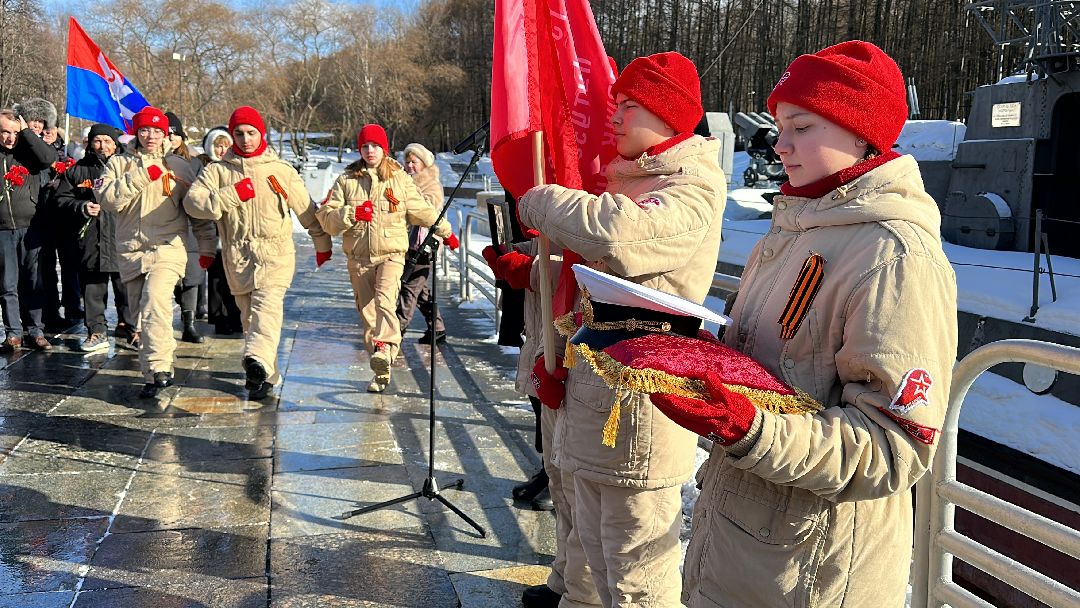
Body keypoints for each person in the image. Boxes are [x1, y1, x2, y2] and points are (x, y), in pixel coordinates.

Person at [648, 41, 958, 607]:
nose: (780, 143)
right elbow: (775, 363)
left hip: (811, 571)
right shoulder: (795, 227)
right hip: (742, 548)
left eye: (802, 126)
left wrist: (750, 428)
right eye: (779, 125)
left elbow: (894, 448)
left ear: (859, 131)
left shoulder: (895, 256)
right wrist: (696, 354)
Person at [514, 51, 727, 607]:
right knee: (590, 544)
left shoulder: (690, 186)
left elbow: (622, 237)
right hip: (597, 393)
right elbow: (600, 272)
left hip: (641, 406)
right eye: (615, 105)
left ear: (668, 115)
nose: (614, 117)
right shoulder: (633, 178)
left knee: (635, 572)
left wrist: (540, 201)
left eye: (629, 106)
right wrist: (540, 271)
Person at [184, 106, 332, 401]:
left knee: (267, 312)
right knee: (251, 320)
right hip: (237, 258)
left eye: (251, 133)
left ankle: (255, 360)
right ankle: (266, 374)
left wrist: (322, 244)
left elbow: (307, 211)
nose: (245, 139)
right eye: (239, 133)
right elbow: (193, 204)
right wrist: (231, 194)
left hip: (275, 255)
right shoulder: (218, 171)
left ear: (261, 133)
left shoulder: (280, 171)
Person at [316, 124, 458, 393]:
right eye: (365, 146)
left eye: (375, 146)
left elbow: (422, 210)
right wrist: (352, 213)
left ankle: (385, 350)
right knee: (369, 316)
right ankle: (381, 365)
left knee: (385, 301)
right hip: (359, 258)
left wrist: (446, 233)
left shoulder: (399, 179)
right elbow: (327, 221)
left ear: (384, 148)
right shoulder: (347, 180)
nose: (370, 151)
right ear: (360, 149)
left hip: (392, 255)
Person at [96, 106, 216, 398]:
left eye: (157, 131)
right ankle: (152, 374)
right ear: (137, 132)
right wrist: (142, 176)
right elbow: (107, 199)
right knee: (140, 316)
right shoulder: (118, 164)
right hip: (131, 251)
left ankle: (162, 367)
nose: (151, 136)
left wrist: (207, 247)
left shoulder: (179, 166)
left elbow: (197, 212)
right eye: (145, 130)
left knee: (155, 302)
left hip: (168, 247)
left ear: (166, 134)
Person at [54, 123, 131, 352]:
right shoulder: (78, 170)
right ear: (90, 143)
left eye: (107, 141)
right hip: (90, 240)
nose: (102, 146)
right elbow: (60, 199)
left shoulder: (127, 167)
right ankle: (96, 331)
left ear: (115, 144)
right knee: (92, 290)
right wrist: (82, 206)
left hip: (121, 237)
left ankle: (130, 329)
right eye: (97, 141)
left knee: (126, 289)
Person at [0, 107, 58, 352]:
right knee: (7, 284)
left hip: (31, 226)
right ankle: (13, 333)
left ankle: (36, 329)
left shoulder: (29, 151)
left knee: (33, 281)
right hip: (2, 229)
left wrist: (27, 133)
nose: (10, 138)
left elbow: (47, 158)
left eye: (14, 132)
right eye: (4, 132)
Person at [396, 142, 447, 345]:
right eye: (407, 162)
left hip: (423, 246)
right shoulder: (405, 182)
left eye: (414, 162)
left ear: (424, 163)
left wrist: (409, 197)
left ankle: (396, 332)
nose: (409, 166)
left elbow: (429, 211)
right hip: (407, 243)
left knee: (408, 288)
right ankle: (438, 328)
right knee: (421, 289)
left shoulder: (431, 184)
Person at [195, 126, 242, 336]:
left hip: (233, 228)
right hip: (210, 228)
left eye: (226, 145)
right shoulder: (203, 167)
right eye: (218, 146)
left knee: (233, 276)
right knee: (216, 277)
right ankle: (219, 317)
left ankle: (235, 316)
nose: (222, 150)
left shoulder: (235, 167)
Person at [165, 111, 207, 343]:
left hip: (189, 227)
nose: (170, 137)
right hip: (162, 228)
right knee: (166, 277)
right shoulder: (153, 161)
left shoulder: (194, 164)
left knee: (191, 277)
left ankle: (188, 323)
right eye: (166, 133)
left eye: (174, 134)